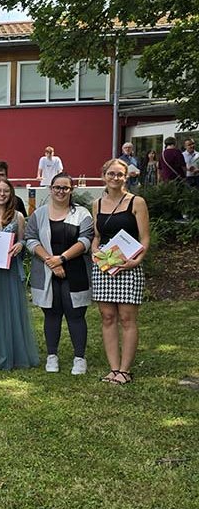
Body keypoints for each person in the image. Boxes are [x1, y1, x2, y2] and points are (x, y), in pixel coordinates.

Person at [25, 173, 94, 375]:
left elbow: (86, 241)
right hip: (47, 270)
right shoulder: (39, 214)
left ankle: (79, 358)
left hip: (76, 271)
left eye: (65, 188)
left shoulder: (82, 214)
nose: (61, 191)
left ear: (71, 190)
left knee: (76, 313)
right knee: (51, 313)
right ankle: (52, 356)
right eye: (57, 187)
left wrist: (61, 259)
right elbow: (30, 239)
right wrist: (51, 261)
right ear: (51, 188)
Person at [91, 159, 150, 384]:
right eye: (111, 174)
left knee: (127, 318)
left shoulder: (137, 202)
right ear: (104, 175)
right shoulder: (97, 203)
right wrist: (96, 252)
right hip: (105, 265)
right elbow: (97, 236)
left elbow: (144, 238)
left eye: (120, 174)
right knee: (107, 317)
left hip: (128, 265)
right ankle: (113, 368)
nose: (115, 178)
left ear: (126, 177)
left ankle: (125, 371)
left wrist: (136, 261)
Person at [0, 181, 39, 370]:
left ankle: (7, 352)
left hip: (8, 269)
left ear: (11, 194)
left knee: (7, 310)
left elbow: (23, 240)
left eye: (6, 191)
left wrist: (20, 245)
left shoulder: (18, 216)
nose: (1, 194)